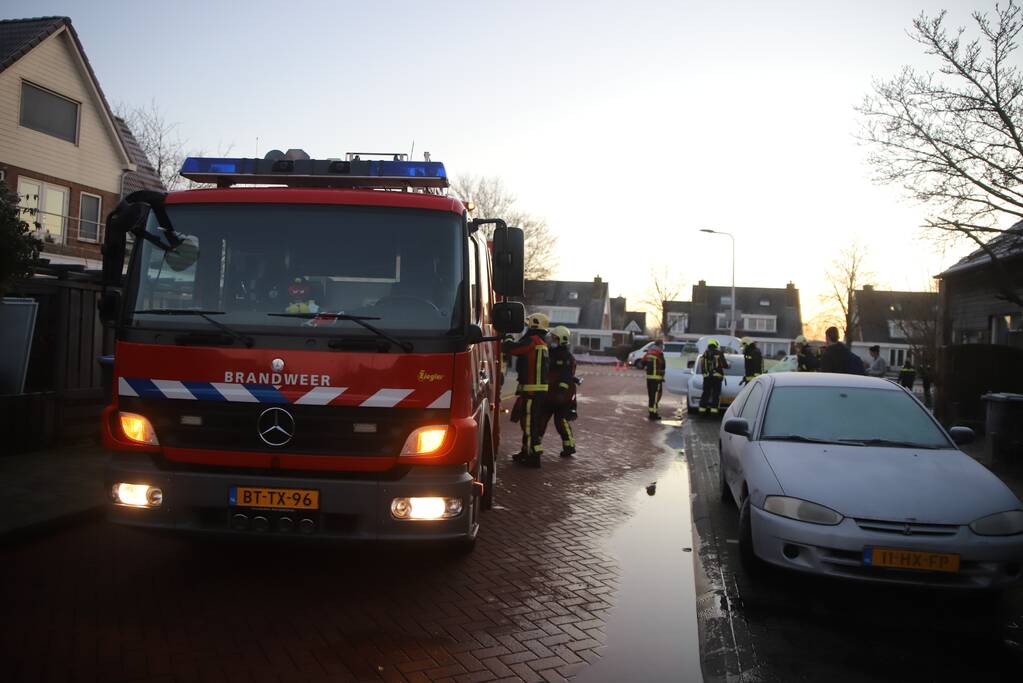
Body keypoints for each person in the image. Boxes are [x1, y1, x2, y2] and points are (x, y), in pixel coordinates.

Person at [503, 312, 550, 468]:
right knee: (528, 423)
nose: (525, 328)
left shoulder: (532, 341)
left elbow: (512, 349)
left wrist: (507, 336)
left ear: (533, 325)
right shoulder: (542, 342)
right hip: (537, 391)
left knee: (529, 424)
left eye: (527, 324)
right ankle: (526, 452)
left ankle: (533, 456)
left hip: (531, 392)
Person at [540, 326, 579, 457]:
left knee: (560, 421)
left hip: (561, 395)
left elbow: (566, 377)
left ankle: (569, 446)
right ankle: (535, 445)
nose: (551, 340)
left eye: (554, 338)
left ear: (561, 340)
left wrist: (561, 392)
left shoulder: (566, 357)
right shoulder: (551, 352)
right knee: (542, 420)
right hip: (550, 393)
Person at [699, 339, 729, 414]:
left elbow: (702, 365)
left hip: (707, 378)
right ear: (716, 345)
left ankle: (702, 411)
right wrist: (727, 365)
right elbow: (724, 365)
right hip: (717, 378)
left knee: (705, 394)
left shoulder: (705, 353)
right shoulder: (719, 353)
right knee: (715, 395)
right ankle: (714, 411)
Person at [642, 340, 667, 420]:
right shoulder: (659, 354)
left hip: (649, 378)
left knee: (651, 396)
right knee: (656, 397)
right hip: (657, 379)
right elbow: (663, 366)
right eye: (662, 345)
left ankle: (651, 413)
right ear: (659, 345)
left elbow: (643, 362)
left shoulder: (649, 353)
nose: (662, 346)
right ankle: (654, 415)